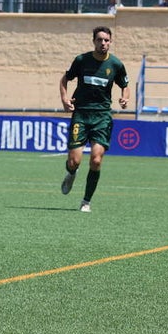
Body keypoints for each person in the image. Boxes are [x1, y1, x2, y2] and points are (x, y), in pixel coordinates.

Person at [59, 26, 130, 213]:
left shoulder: (115, 64)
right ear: (94, 41)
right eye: (100, 40)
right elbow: (65, 79)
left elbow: (125, 85)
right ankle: (71, 172)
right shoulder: (82, 60)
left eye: (106, 40)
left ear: (111, 42)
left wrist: (125, 98)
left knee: (96, 160)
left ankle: (86, 201)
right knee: (74, 161)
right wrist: (65, 99)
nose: (103, 43)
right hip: (81, 115)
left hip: (102, 117)